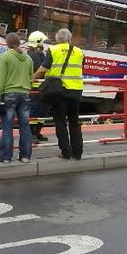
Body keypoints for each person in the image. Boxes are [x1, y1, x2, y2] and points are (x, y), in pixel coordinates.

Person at [33, 28, 85, 160]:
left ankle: (66, 153)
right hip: (76, 91)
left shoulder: (53, 50)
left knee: (60, 123)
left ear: (57, 39)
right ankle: (77, 153)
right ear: (69, 39)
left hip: (60, 92)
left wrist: (32, 78)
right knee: (74, 122)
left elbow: (43, 68)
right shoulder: (79, 52)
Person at [0, 32, 33, 163]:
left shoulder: (5, 57)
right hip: (25, 94)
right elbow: (31, 78)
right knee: (25, 126)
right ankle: (25, 156)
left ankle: (5, 156)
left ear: (7, 43)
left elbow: (0, 79)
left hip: (9, 94)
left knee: (7, 126)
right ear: (19, 43)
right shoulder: (28, 59)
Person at [26, 30, 49, 142]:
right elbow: (41, 70)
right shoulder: (33, 56)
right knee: (35, 110)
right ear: (38, 43)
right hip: (35, 89)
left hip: (41, 88)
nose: (43, 45)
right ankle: (31, 134)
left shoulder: (37, 54)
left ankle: (36, 132)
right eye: (42, 43)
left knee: (42, 111)